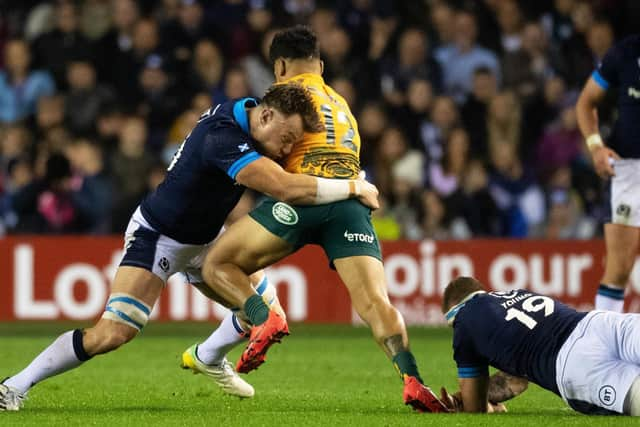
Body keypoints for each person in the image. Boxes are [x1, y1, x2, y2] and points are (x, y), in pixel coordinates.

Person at [0, 83, 379, 411]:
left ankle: (208, 357)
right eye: (287, 138)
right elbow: (282, 187)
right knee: (112, 334)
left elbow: (283, 158)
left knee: (265, 312)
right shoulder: (223, 138)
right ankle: (13, 386)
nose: (287, 149)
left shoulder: (248, 113)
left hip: (208, 237)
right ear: (266, 118)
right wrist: (354, 187)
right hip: (159, 235)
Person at [186, 26, 448, 413]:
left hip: (303, 197)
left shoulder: (281, 98)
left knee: (216, 264)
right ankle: (412, 379)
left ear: (279, 66)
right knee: (375, 302)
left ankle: (263, 318)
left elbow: (261, 160)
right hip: (351, 205)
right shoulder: (343, 106)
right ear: (320, 65)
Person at [440, 276, 640, 415]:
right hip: (599, 325)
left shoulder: (464, 321)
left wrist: (482, 405)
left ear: (454, 314)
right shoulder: (517, 295)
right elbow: (517, 380)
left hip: (575, 366)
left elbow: (476, 409)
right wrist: (467, 397)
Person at [575, 34, 640, 312]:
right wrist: (595, 147)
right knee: (619, 267)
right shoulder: (626, 52)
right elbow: (585, 103)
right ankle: (604, 350)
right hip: (628, 171)